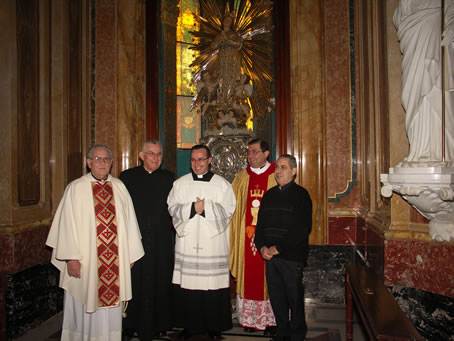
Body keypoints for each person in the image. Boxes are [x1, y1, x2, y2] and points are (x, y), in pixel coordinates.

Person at [46, 145, 144, 341]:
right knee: (84, 304)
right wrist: (71, 258)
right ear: (88, 162)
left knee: (111, 312)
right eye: (97, 159)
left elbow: (130, 222)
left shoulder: (119, 187)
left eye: (106, 159)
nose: (102, 163)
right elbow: (66, 225)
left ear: (111, 163)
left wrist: (130, 254)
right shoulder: (76, 188)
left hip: (114, 264)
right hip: (85, 263)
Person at [167, 144, 236, 340]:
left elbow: (229, 210)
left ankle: (214, 327)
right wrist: (192, 208)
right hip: (188, 244)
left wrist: (205, 207)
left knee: (212, 287)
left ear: (210, 160)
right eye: (193, 160)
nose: (196, 164)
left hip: (212, 246)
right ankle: (190, 326)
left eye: (201, 159)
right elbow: (172, 208)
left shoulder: (222, 185)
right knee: (189, 289)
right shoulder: (180, 184)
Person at [119, 140, 175, 341]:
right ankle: (129, 324)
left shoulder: (169, 178)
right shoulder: (127, 178)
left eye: (159, 154)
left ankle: (160, 324)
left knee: (160, 280)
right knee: (135, 282)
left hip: (161, 240)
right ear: (141, 156)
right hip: (135, 238)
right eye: (151, 153)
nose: (156, 157)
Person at [254, 154, 312, 341]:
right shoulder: (269, 195)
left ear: (294, 172)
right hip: (271, 257)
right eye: (277, 167)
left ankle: (296, 335)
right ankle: (282, 332)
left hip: (291, 256)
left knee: (294, 299)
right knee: (277, 298)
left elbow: (301, 229)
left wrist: (277, 248)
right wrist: (262, 246)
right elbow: (260, 225)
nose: (278, 171)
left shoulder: (301, 195)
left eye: (284, 167)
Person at [394, 0, 454, 166]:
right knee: (414, 94)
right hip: (414, 38)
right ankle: (420, 151)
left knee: (436, 90)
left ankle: (441, 152)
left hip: (435, 34)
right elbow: (399, 16)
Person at [229, 138, 277, 334]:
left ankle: (271, 321)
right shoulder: (241, 177)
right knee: (249, 274)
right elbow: (232, 208)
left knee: (271, 277)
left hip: (270, 237)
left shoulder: (277, 176)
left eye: (255, 152)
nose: (250, 156)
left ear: (266, 154)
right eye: (249, 152)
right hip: (246, 236)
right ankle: (249, 320)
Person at [210, 14, 243, 107]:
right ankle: (222, 99)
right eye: (225, 20)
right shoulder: (219, 34)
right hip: (222, 57)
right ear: (222, 22)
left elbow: (238, 44)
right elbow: (212, 46)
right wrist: (221, 39)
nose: (227, 22)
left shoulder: (234, 34)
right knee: (222, 75)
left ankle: (230, 98)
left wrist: (227, 40)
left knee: (231, 76)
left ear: (231, 23)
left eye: (229, 21)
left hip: (232, 57)